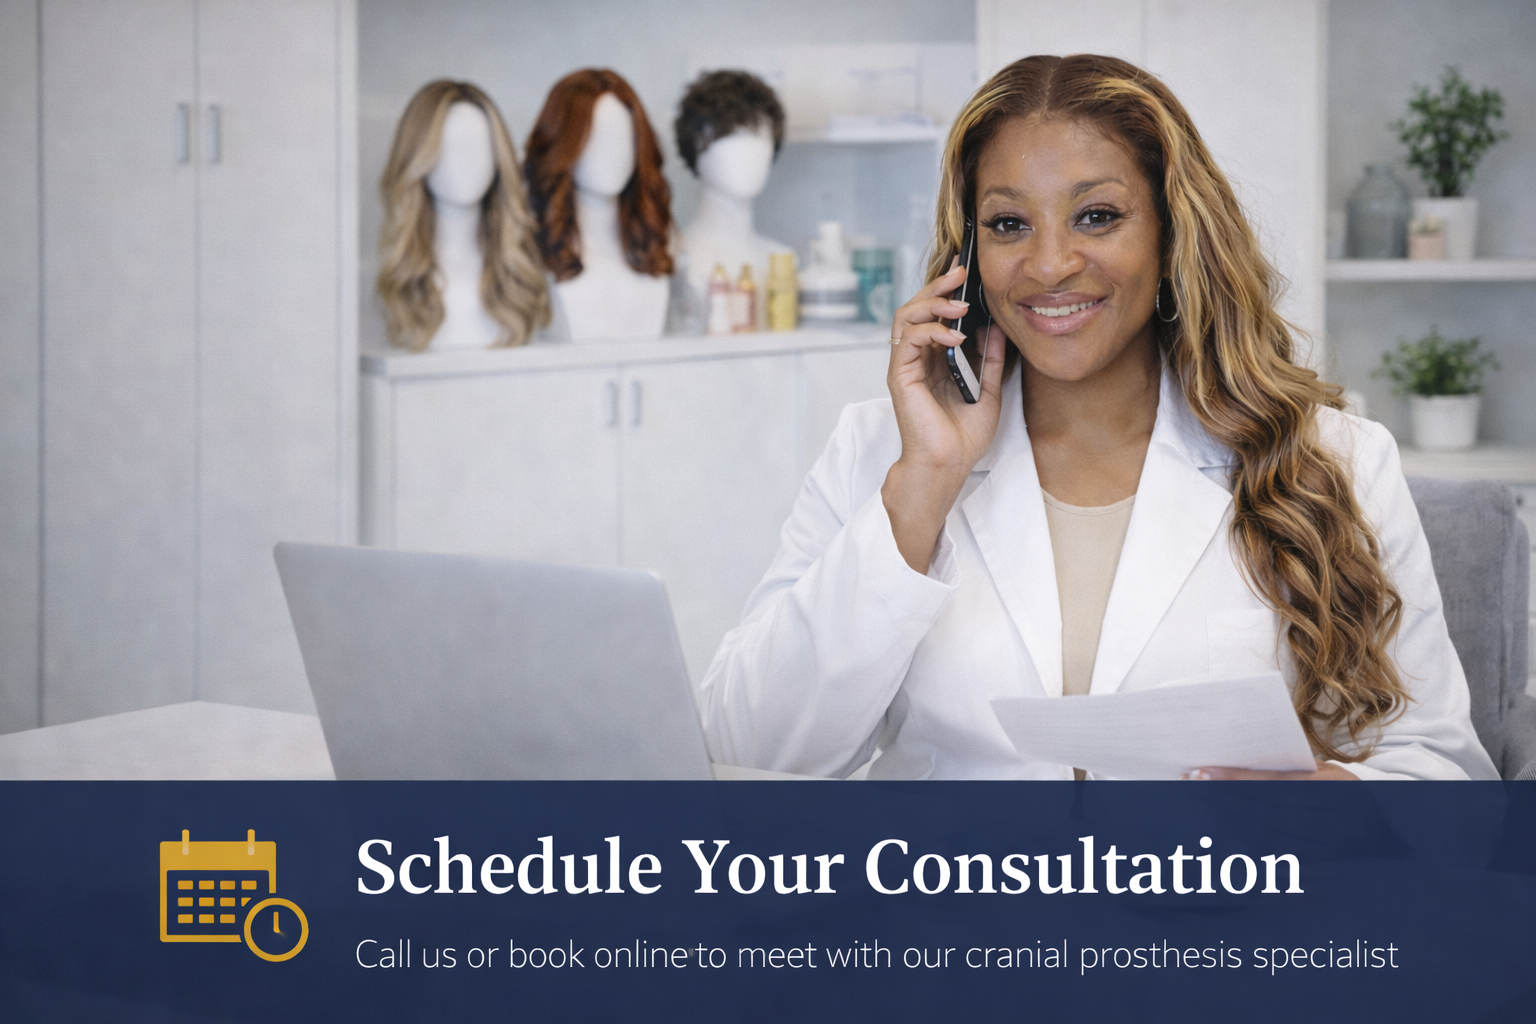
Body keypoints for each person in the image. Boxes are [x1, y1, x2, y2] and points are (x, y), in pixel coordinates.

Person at [698, 54, 1498, 782]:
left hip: (1208, 928)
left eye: (1097, 216)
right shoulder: (882, 451)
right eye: (1009, 224)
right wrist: (924, 487)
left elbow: (1441, 773)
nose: (1049, 265)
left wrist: (1325, 807)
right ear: (968, 255)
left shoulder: (1335, 458)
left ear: (1172, 233)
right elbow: (747, 755)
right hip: (952, 923)